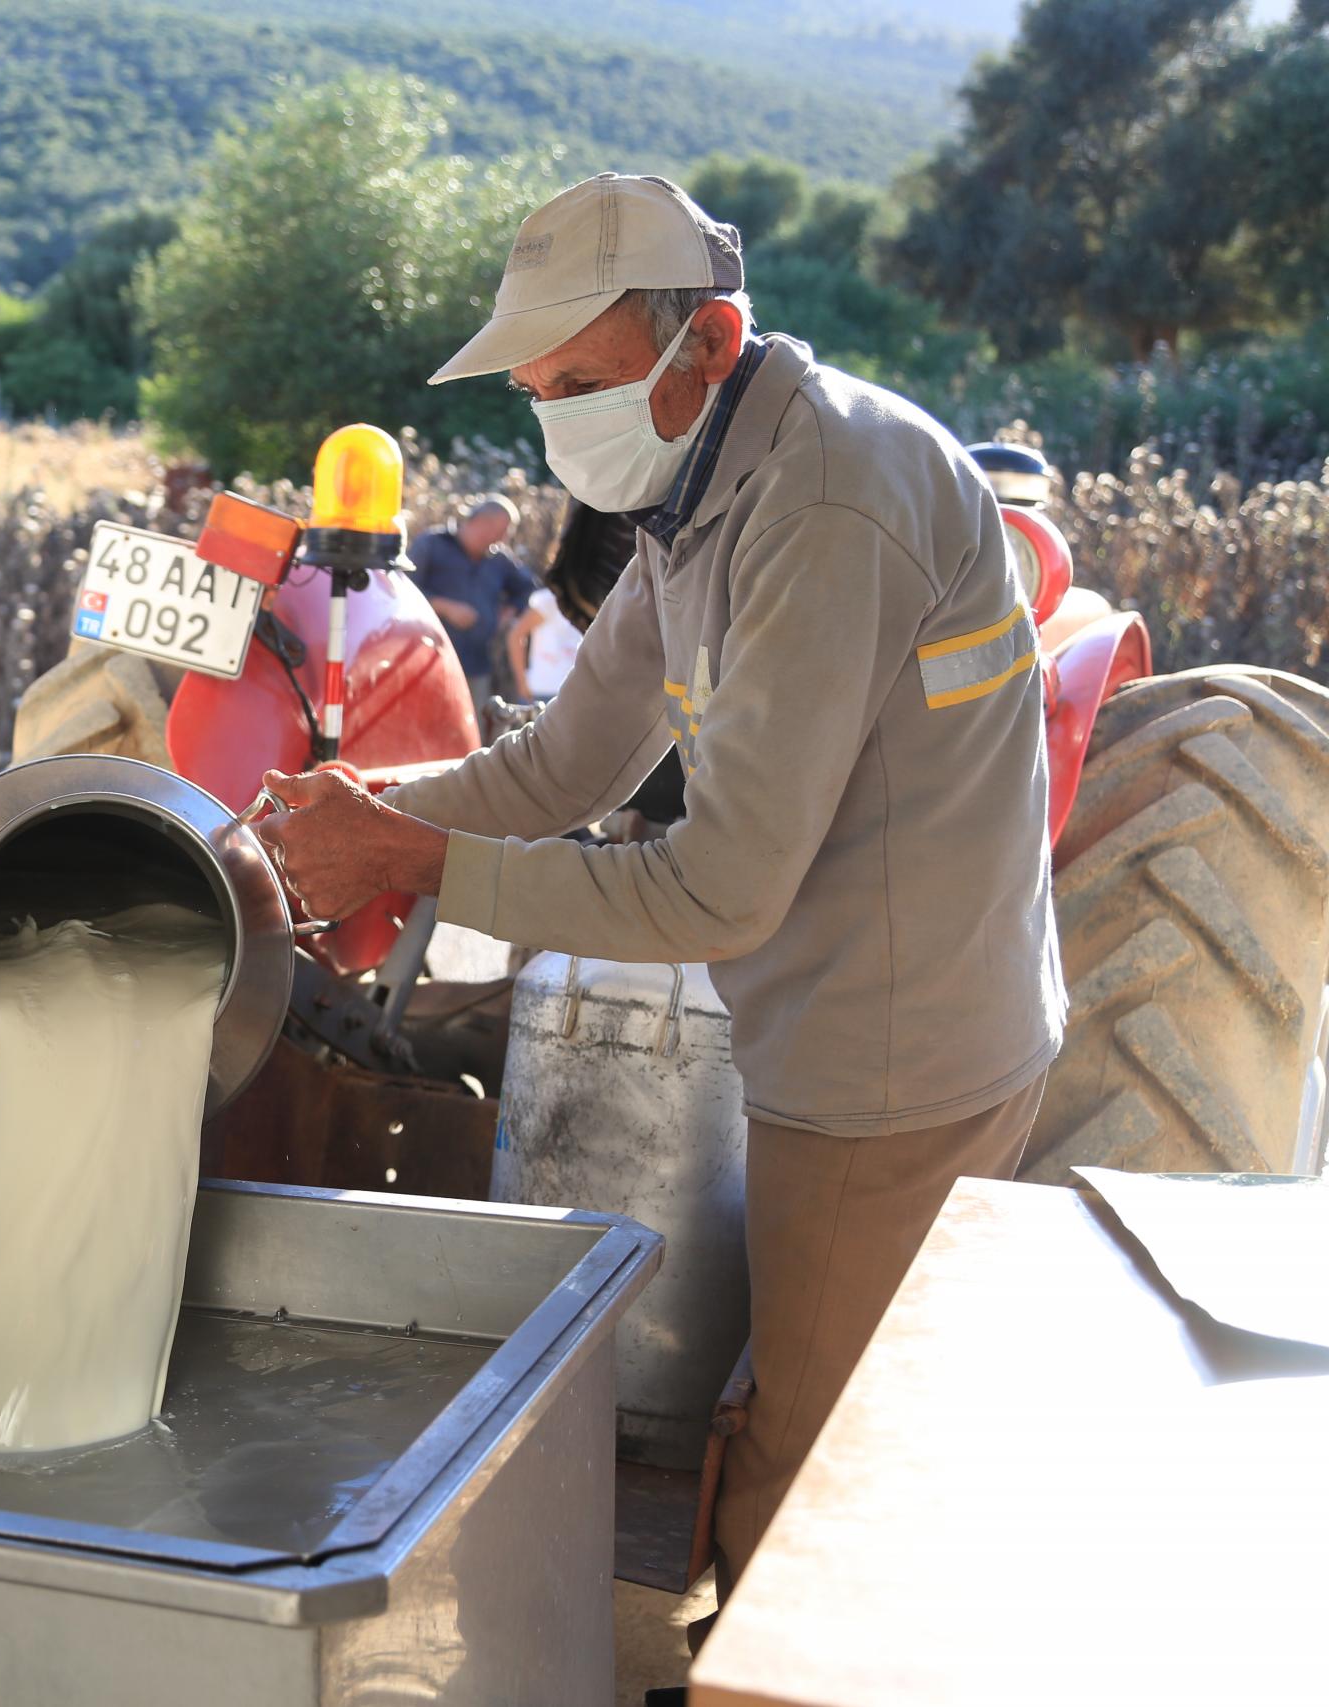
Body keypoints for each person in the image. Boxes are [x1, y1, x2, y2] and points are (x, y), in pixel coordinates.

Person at [254, 174, 1061, 1604]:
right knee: (826, 1408)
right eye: (542, 387)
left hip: (897, 1053)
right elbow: (566, 761)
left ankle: (758, 1663)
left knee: (809, 1467)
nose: (561, 417)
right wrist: (372, 813)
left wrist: (421, 863)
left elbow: (716, 895)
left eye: (588, 380)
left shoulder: (824, 504)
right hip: (846, 1006)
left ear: (711, 339)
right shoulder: (698, 484)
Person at [407, 496, 536, 704]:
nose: (503, 539)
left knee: (471, 729)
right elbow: (402, 589)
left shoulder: (500, 559)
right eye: (503, 532)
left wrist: (511, 610)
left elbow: (529, 589)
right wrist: (444, 607)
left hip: (477, 667)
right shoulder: (431, 545)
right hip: (428, 661)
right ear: (484, 522)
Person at [506, 585, 582, 700]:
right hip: (543, 692)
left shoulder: (589, 601)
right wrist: (522, 682)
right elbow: (516, 636)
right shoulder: (549, 600)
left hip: (575, 692)